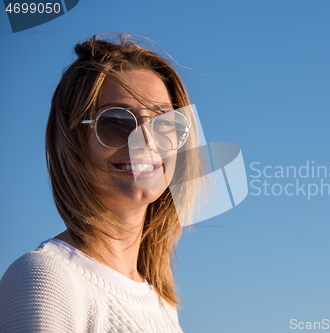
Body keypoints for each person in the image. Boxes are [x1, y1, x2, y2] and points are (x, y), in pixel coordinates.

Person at [0, 33, 202, 332]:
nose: (146, 140)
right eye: (117, 121)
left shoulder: (161, 304)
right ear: (73, 141)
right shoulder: (47, 277)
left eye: (165, 122)